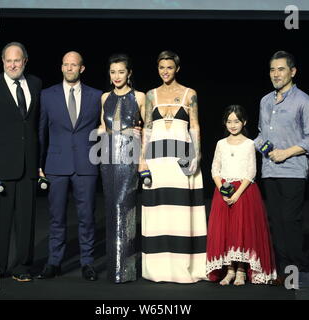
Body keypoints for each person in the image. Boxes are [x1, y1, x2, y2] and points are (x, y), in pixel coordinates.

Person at [254, 51, 309, 285]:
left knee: (290, 220)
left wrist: (286, 152)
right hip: (269, 170)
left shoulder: (304, 101)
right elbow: (262, 134)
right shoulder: (265, 101)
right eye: (272, 69)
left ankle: (296, 270)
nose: (276, 74)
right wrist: (262, 147)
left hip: (293, 170)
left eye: (281, 69)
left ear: (292, 72)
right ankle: (282, 270)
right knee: (276, 220)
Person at [0, 42, 42, 282]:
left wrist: (40, 162)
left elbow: (36, 126)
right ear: (3, 62)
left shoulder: (35, 84)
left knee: (26, 222)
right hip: (1, 165)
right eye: (8, 61)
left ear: (25, 61)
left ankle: (22, 267)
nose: (13, 65)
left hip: (29, 164)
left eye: (17, 60)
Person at [139, 50, 207, 283]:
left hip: (181, 159)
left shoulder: (190, 94)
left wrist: (196, 156)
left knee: (180, 212)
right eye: (161, 68)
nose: (165, 72)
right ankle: (158, 268)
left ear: (177, 68)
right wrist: (142, 159)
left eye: (169, 67)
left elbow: (195, 127)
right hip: (157, 160)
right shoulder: (151, 95)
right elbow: (147, 129)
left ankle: (183, 266)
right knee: (159, 211)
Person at [37, 51, 102, 281]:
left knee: (86, 217)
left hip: (86, 164)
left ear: (82, 68)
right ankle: (54, 262)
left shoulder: (97, 96)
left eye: (74, 65)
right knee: (56, 218)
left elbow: (104, 129)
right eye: (66, 64)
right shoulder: (47, 95)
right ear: (61, 67)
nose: (69, 68)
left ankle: (87, 262)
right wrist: (39, 164)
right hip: (56, 164)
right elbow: (41, 131)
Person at [206, 105, 277, 285]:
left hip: (244, 192)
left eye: (236, 121)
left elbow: (251, 172)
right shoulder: (220, 144)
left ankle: (241, 271)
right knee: (226, 231)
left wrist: (237, 194)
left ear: (244, 122)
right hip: (223, 190)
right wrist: (223, 189)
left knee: (241, 231)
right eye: (229, 121)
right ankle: (229, 269)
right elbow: (215, 168)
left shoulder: (249, 144)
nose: (233, 125)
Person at [98, 53, 145, 283]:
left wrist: (137, 139)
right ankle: (113, 268)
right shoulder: (105, 96)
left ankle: (125, 270)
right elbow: (101, 127)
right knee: (111, 208)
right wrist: (115, 132)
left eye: (121, 72)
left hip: (129, 157)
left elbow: (148, 130)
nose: (117, 76)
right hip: (107, 156)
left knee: (125, 208)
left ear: (129, 73)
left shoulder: (140, 97)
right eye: (113, 72)